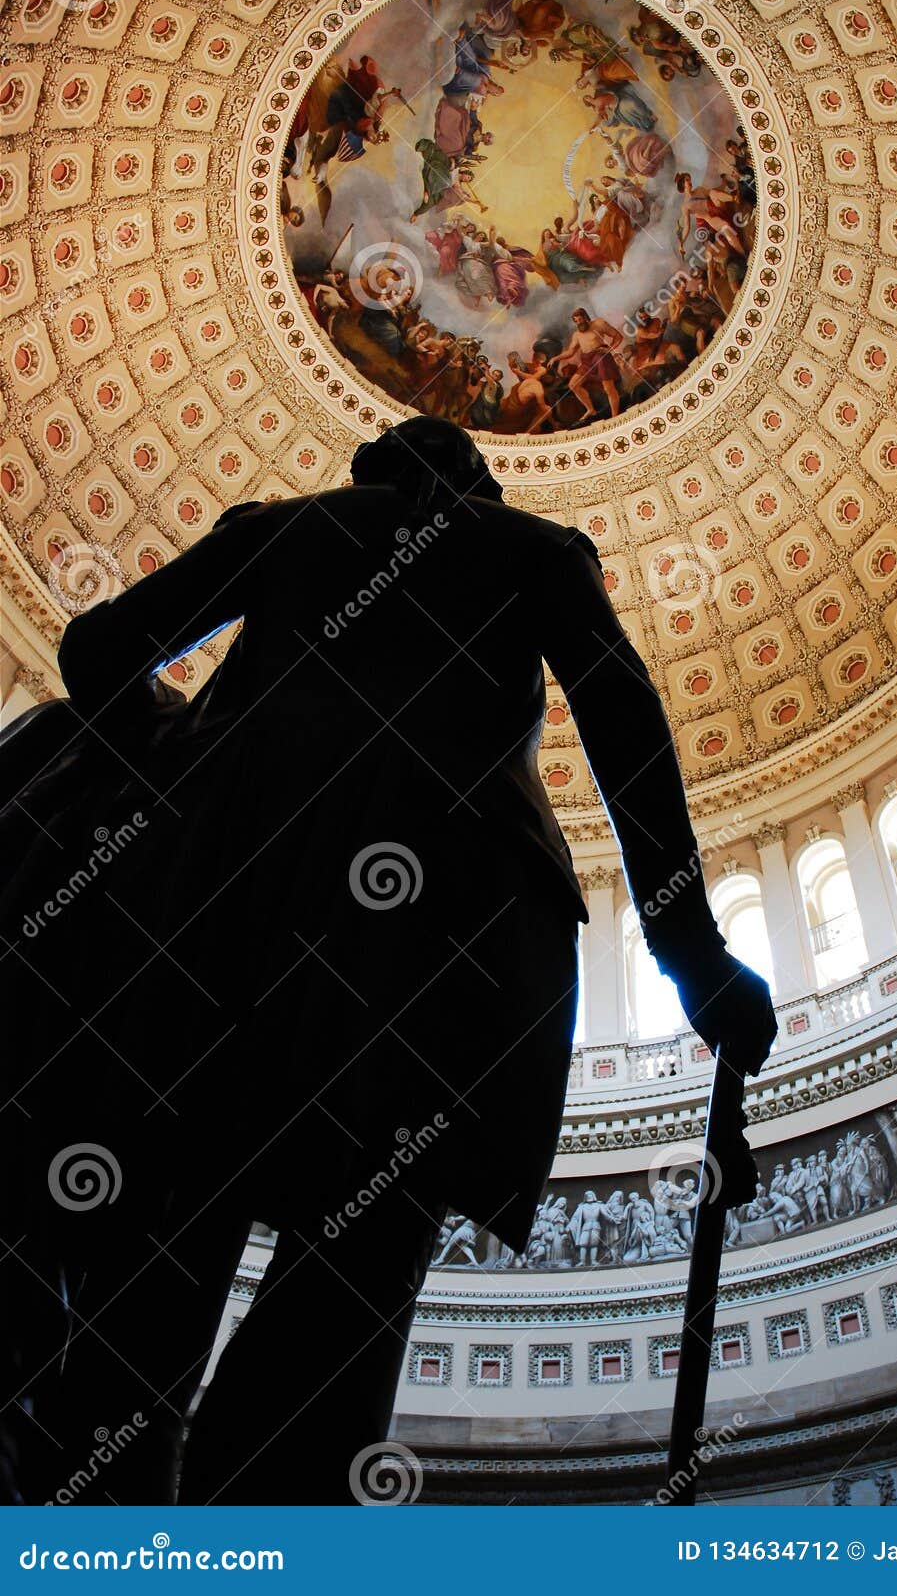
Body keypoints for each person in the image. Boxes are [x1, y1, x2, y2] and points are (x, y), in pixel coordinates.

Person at [1, 417, 775, 1504]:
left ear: (371, 473)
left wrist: (183, 741)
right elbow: (625, 721)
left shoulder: (280, 531)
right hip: (434, 968)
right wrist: (694, 958)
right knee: (328, 1349)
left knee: (142, 1317)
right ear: (478, 482)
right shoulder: (532, 549)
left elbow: (96, 652)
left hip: (215, 930)